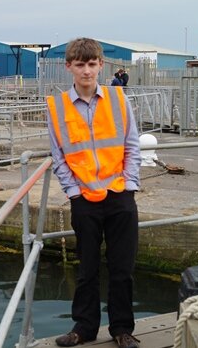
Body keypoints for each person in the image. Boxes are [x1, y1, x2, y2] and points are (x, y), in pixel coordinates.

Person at [46, 38, 141, 348]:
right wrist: (73, 192)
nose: (86, 70)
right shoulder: (56, 106)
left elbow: (131, 144)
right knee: (86, 269)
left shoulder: (118, 99)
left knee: (122, 268)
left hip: (119, 195)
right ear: (69, 67)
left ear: (101, 65)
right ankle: (84, 328)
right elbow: (58, 155)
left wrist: (129, 183)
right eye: (80, 64)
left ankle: (122, 329)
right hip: (84, 198)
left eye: (91, 64)